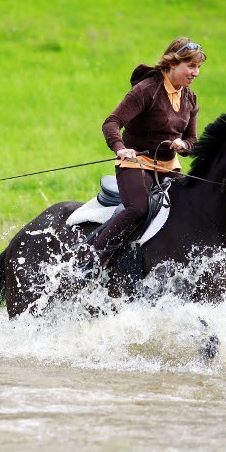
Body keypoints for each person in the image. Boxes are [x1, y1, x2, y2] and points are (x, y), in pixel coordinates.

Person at [81, 37, 206, 275]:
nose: (196, 73)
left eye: (198, 67)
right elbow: (112, 122)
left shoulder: (190, 99)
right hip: (134, 163)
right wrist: (120, 147)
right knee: (138, 208)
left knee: (192, 207)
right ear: (172, 63)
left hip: (169, 167)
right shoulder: (147, 90)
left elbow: (193, 140)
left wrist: (184, 145)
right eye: (190, 66)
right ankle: (91, 261)